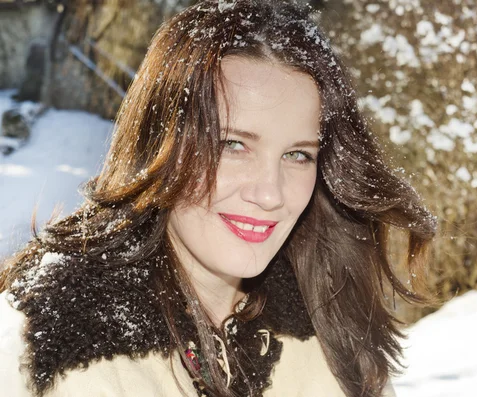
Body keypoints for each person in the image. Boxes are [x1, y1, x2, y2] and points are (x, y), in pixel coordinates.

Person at [0, 1, 440, 396]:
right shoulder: (47, 337)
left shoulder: (326, 320)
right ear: (161, 143)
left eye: (297, 154)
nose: (270, 193)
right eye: (232, 144)